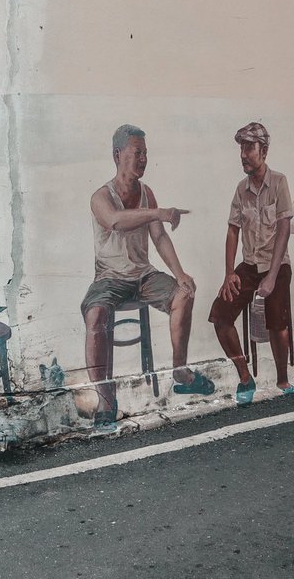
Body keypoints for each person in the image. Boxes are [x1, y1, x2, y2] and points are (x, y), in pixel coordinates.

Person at [83, 124, 214, 426]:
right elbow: (115, 221)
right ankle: (106, 398)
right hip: (109, 279)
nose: (143, 159)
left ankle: (180, 372)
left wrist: (180, 273)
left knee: (184, 294)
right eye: (137, 153)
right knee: (95, 314)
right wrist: (158, 213)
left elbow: (159, 237)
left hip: (143, 277)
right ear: (117, 155)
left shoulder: (146, 193)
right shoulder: (100, 196)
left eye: (145, 153)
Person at [209, 122, 294, 405]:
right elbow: (233, 230)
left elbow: (284, 228)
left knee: (277, 321)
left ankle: (282, 380)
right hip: (249, 266)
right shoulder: (241, 189)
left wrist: (271, 276)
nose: (243, 155)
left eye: (249, 148)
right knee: (220, 315)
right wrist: (229, 274)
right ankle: (245, 377)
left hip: (276, 265)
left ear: (264, 151)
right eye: (241, 149)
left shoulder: (279, 182)